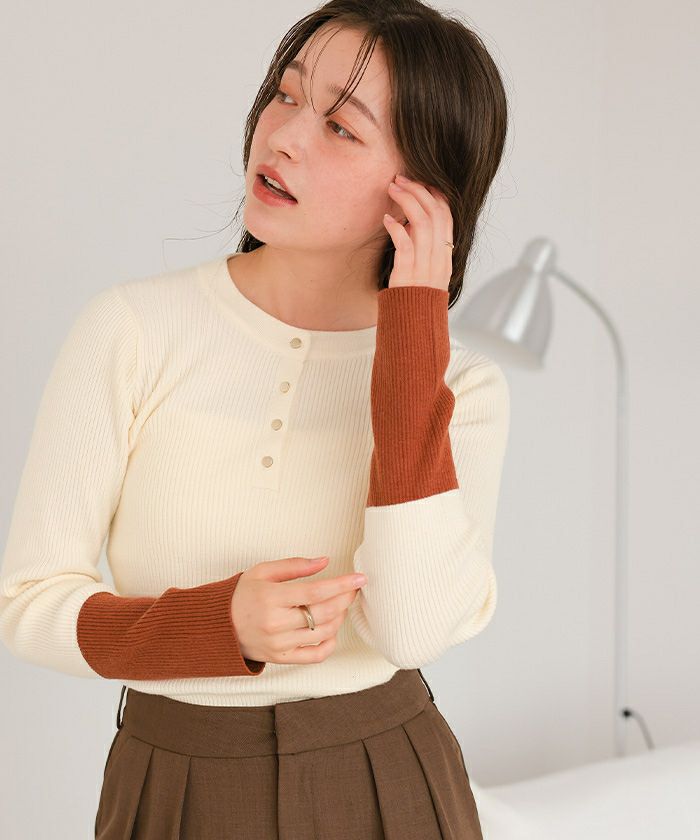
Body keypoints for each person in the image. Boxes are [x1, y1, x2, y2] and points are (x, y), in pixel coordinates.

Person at [0, 1, 510, 837]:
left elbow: (412, 628)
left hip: (387, 779)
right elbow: (29, 604)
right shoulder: (133, 330)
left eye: (340, 127)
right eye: (285, 94)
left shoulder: (463, 386)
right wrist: (215, 624)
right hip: (174, 779)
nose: (284, 137)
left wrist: (412, 340)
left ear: (423, 192)